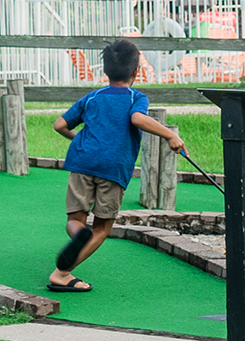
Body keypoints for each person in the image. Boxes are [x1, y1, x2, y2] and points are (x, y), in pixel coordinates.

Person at [47, 38, 188, 293]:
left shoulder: (93, 97)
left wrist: (81, 140)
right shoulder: (136, 97)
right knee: (101, 227)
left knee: (76, 219)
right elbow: (137, 118)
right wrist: (169, 135)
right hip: (113, 168)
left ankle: (79, 235)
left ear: (105, 71)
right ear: (137, 72)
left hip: (81, 161)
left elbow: (59, 125)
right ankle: (62, 273)